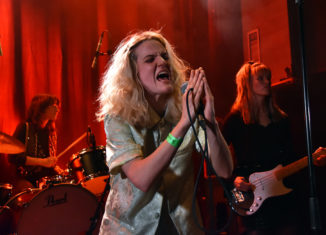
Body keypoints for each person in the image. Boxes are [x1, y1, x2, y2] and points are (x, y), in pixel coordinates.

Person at [96, 30, 233, 235]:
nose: (162, 62)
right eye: (151, 59)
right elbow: (141, 178)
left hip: (182, 229)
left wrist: (211, 122)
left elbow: (225, 170)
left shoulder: (185, 108)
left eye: (165, 56)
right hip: (130, 230)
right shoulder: (118, 117)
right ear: (133, 74)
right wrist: (183, 126)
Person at [222, 62, 325, 235]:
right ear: (247, 84)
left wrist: (312, 160)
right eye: (260, 78)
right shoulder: (235, 120)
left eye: (268, 78)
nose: (267, 82)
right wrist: (234, 179)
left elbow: (291, 157)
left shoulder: (281, 119)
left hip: (283, 198)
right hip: (251, 197)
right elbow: (217, 157)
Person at [9, 94, 62, 193]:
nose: (57, 109)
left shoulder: (50, 132)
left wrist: (53, 166)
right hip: (25, 178)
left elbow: (46, 159)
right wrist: (43, 162)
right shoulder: (25, 127)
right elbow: (14, 158)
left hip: (44, 179)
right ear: (42, 109)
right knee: (32, 194)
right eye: (54, 106)